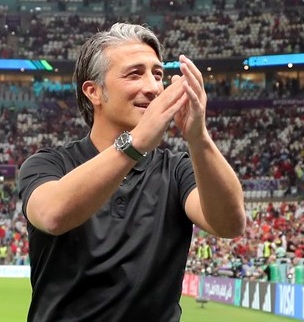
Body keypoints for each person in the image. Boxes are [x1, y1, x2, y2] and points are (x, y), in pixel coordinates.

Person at [18, 23, 246, 321]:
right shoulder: (48, 164)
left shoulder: (176, 169)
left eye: (158, 74)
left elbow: (230, 224)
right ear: (94, 92)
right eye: (135, 74)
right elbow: (53, 214)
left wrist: (198, 136)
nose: (152, 87)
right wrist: (135, 142)